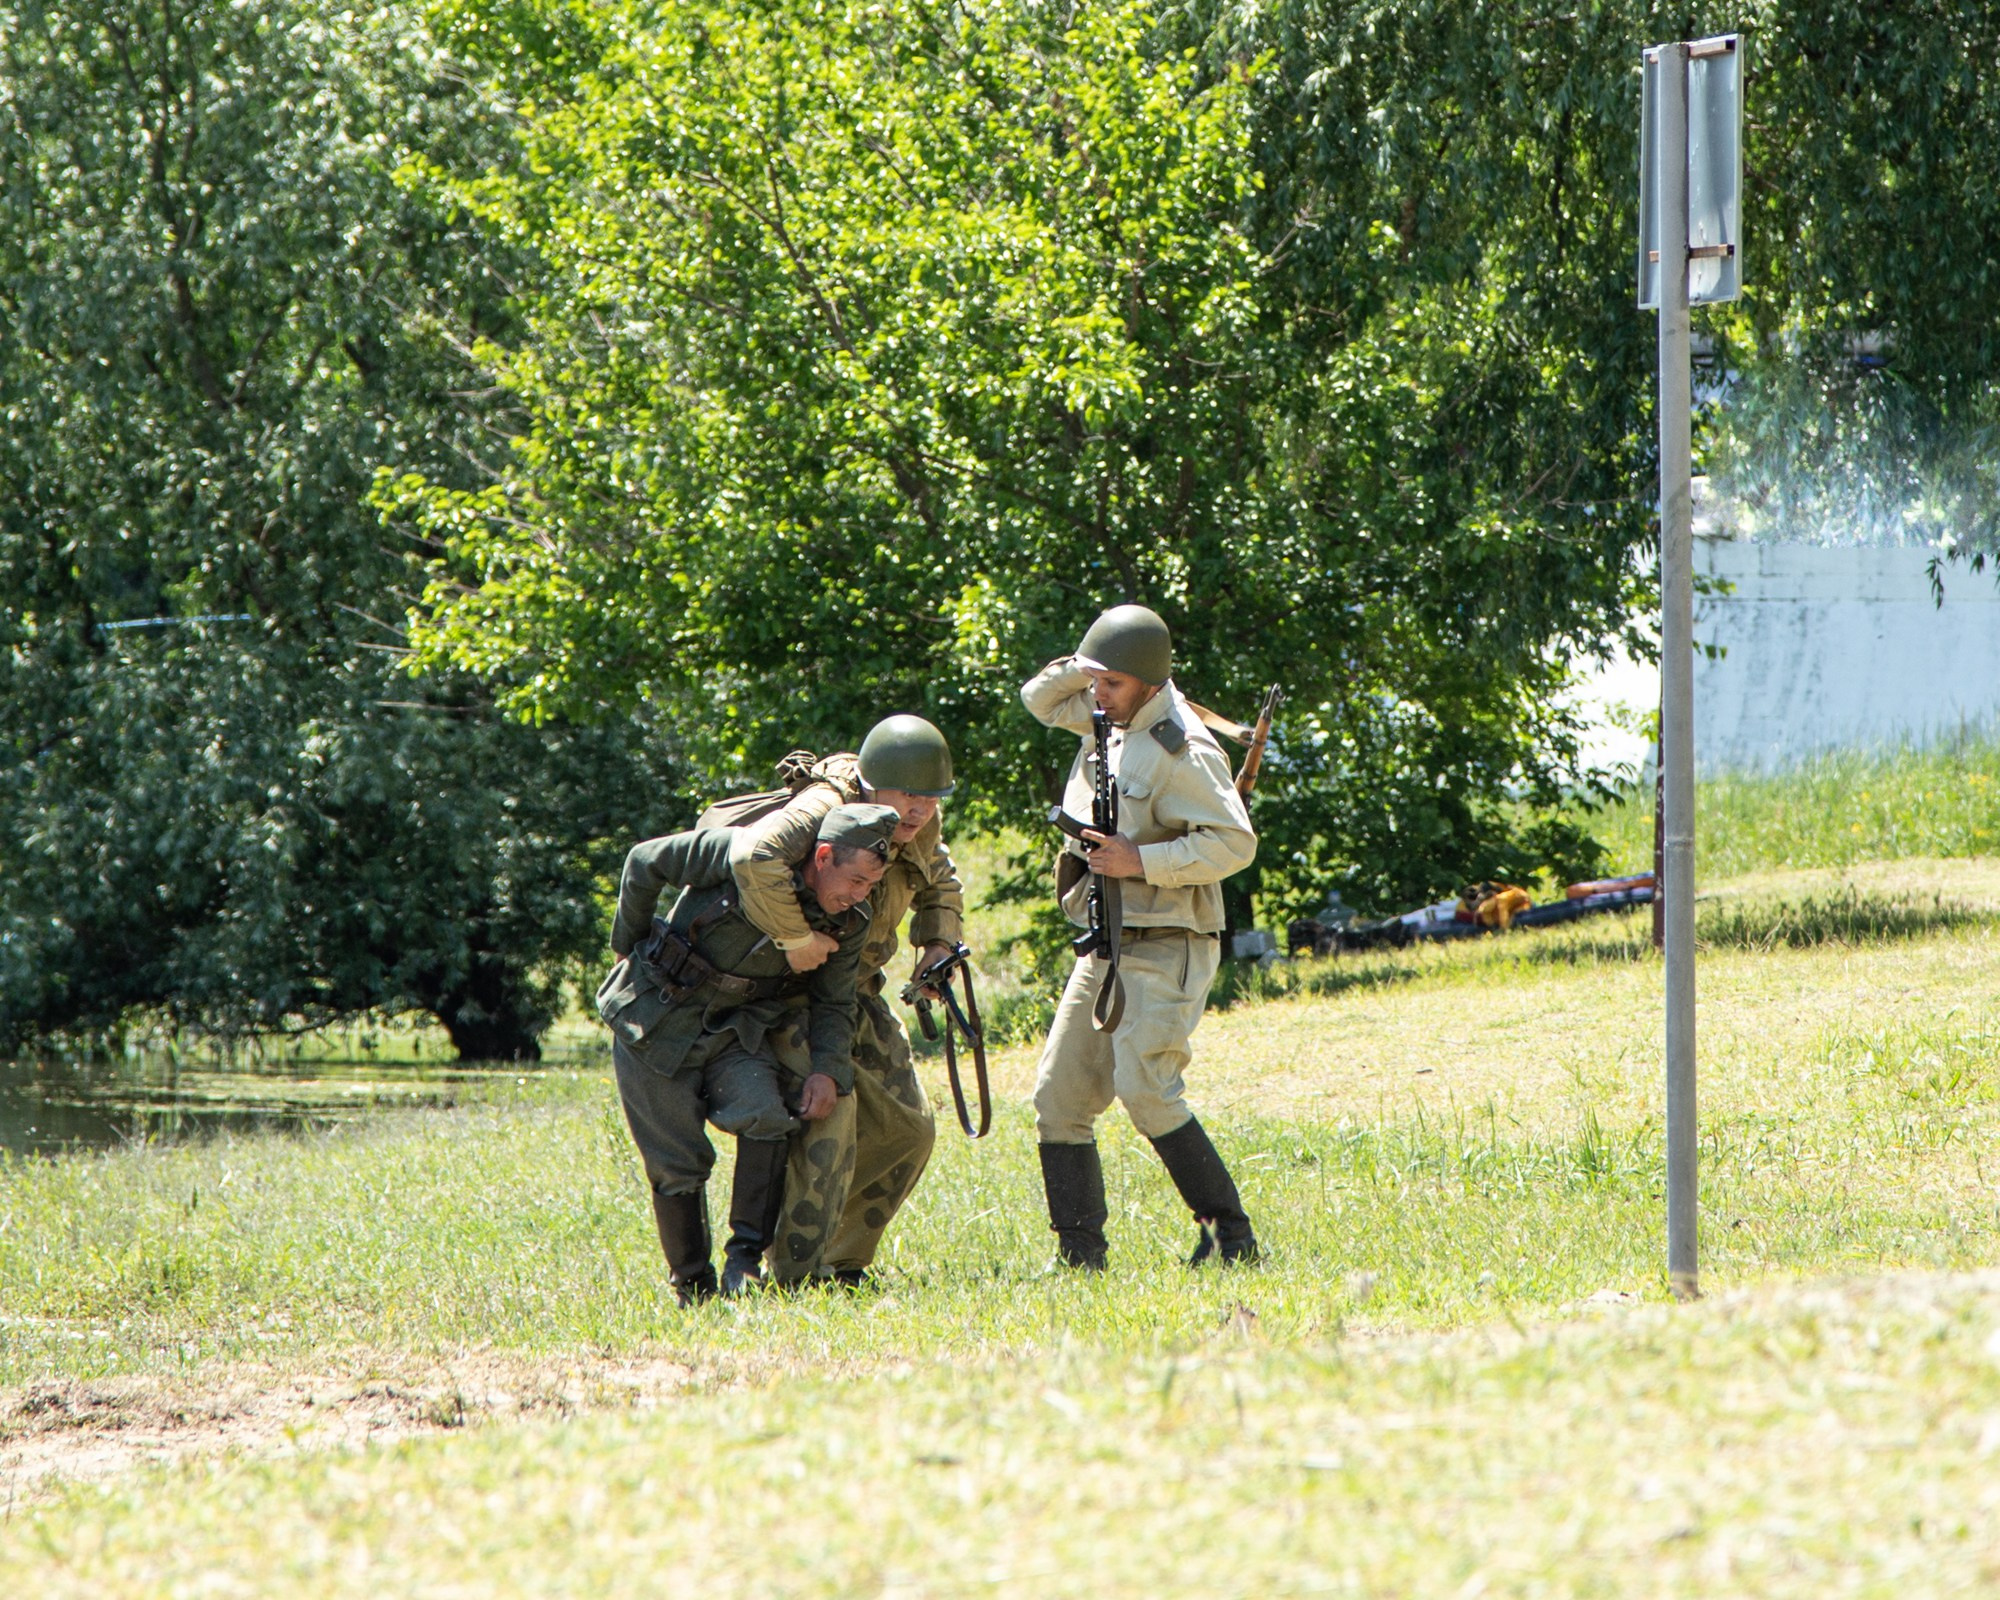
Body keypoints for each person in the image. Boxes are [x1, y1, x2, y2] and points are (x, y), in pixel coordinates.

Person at [1021, 604, 1261, 1269]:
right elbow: (1038, 701)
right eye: (1096, 682)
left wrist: (1142, 861)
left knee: (1147, 1088)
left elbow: (1235, 843)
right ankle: (1079, 1256)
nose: (1096, 695)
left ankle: (1231, 1241)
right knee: (1058, 1098)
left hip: (1168, 941)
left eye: (1113, 684)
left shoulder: (1185, 748)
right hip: (1109, 938)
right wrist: (1089, 662)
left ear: (1150, 685)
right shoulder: (1108, 715)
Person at [595, 802, 902, 1304]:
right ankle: (692, 1284)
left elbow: (834, 1000)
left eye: (871, 885)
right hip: (652, 1022)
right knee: (677, 1164)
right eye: (856, 881)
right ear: (823, 855)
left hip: (737, 1031)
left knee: (767, 1117)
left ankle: (744, 1263)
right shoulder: (740, 853)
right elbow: (644, 861)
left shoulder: (850, 920)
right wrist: (627, 943)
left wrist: (828, 1070)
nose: (859, 896)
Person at [727, 715, 964, 1286]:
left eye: (931, 798)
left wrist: (936, 944)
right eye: (909, 796)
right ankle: (797, 1278)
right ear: (873, 781)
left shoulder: (920, 824)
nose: (920, 810)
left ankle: (841, 1261)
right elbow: (753, 857)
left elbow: (941, 881)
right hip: (788, 996)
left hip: (855, 993)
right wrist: (798, 939)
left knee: (909, 1131)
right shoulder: (822, 806)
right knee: (830, 1123)